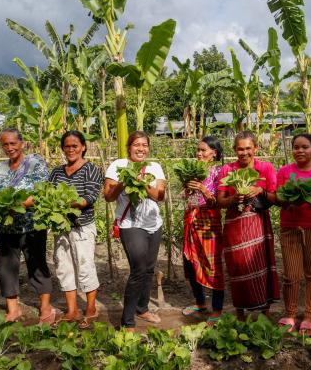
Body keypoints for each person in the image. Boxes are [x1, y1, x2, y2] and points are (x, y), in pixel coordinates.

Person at [0, 128, 55, 324]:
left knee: (37, 264)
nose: (9, 148)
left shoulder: (36, 163)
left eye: (13, 143)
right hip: (5, 226)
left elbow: (40, 191)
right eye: (5, 144)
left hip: (33, 225)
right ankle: (13, 309)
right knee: (6, 267)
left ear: (22, 143)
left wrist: (14, 205)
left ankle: (45, 308)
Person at [104, 131, 166, 331]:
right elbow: (108, 196)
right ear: (129, 147)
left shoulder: (155, 167)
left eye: (145, 145)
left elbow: (160, 194)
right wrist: (124, 182)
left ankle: (143, 308)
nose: (141, 149)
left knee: (148, 269)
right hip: (130, 224)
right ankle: (127, 320)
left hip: (153, 223)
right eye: (137, 145)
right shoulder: (117, 166)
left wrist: (142, 184)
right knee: (138, 269)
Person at [216, 130, 280, 321]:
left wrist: (260, 189)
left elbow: (275, 197)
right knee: (238, 269)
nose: (244, 153)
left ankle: (265, 315)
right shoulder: (227, 170)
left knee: (261, 265)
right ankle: (240, 315)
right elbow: (220, 200)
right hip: (235, 226)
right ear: (235, 150)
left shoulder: (265, 168)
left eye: (248, 148)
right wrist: (234, 198)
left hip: (258, 223)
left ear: (255, 148)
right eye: (240, 149)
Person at [275, 134, 311, 335]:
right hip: (289, 228)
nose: (300, 151)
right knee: (291, 275)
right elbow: (279, 198)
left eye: (305, 147)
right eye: (296, 147)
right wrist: (291, 198)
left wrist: (307, 198)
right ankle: (290, 314)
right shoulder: (284, 171)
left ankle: (310, 316)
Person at [49, 130, 103, 328]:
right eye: (67, 146)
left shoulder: (91, 169)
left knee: (85, 266)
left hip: (82, 228)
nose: (70, 149)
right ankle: (72, 310)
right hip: (61, 226)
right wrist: (53, 206)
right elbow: (48, 193)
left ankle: (90, 309)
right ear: (63, 148)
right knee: (64, 267)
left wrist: (65, 203)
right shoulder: (56, 172)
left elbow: (90, 197)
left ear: (83, 147)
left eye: (75, 146)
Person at [181, 136, 225, 325]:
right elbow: (187, 198)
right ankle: (200, 302)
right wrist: (188, 189)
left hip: (209, 223)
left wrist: (203, 190)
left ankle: (217, 308)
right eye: (198, 150)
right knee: (190, 263)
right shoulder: (194, 171)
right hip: (191, 220)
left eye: (203, 150)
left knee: (213, 266)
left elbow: (218, 202)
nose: (199, 154)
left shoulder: (218, 172)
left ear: (214, 153)